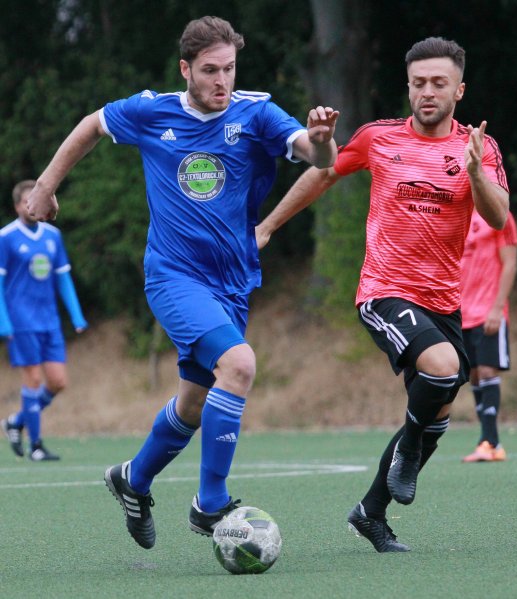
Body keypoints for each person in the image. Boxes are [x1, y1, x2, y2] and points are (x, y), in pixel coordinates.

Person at [26, 16, 339, 550]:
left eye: (230, 70)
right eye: (211, 71)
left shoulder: (256, 112)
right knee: (239, 365)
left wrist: (323, 141)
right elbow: (92, 125)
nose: (222, 81)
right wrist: (45, 188)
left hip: (234, 282)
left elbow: (318, 159)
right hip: (173, 276)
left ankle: (133, 479)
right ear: (186, 70)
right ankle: (209, 503)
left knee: (194, 404)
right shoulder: (153, 110)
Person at [256, 37, 509, 552]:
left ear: (459, 90)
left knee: (437, 411)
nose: (427, 92)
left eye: (439, 83)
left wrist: (477, 172)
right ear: (408, 87)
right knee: (444, 370)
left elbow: (499, 217)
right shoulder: (379, 138)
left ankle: (371, 512)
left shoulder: (478, 148)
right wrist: (266, 228)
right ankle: (408, 451)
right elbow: (324, 173)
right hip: (385, 291)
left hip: (445, 302)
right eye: (419, 83)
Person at [0, 179, 87, 461]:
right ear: (17, 206)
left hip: (49, 320)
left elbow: (63, 278)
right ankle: (35, 446)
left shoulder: (53, 236)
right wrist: (4, 323)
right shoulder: (6, 237)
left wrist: (76, 315)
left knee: (58, 381)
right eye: (27, 201)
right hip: (21, 321)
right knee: (34, 380)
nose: (32, 205)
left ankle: (15, 422)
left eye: (35, 199)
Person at [460, 210, 517, 462]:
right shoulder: (453, 210)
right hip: (458, 312)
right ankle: (487, 441)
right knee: (472, 374)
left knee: (486, 371)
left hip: (487, 311)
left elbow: (510, 263)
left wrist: (497, 307)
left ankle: (491, 442)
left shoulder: (498, 214)